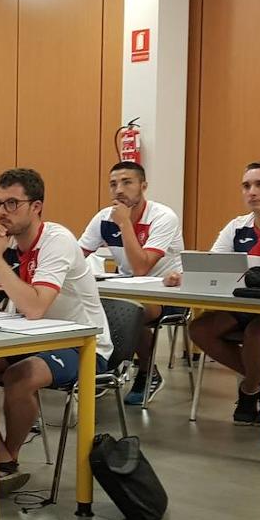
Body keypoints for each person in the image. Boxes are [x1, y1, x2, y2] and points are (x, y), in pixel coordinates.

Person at [0, 169, 112, 496]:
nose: (1, 212)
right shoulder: (4, 245)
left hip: (82, 345)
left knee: (21, 375)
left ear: (36, 207)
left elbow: (35, 308)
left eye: (12, 203)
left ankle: (5, 462)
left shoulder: (56, 240)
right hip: (31, 340)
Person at [169, 162, 260, 426]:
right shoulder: (237, 225)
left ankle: (248, 390)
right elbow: (214, 263)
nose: (252, 192)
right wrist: (183, 275)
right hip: (242, 304)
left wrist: (244, 276)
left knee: (257, 334)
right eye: (247, 186)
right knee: (199, 330)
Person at [78, 161, 184, 404]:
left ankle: (146, 372)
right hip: (127, 289)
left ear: (143, 186)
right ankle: (105, 367)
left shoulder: (163, 217)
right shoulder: (104, 218)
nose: (119, 190)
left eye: (127, 183)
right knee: (93, 305)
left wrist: (125, 223)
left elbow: (141, 267)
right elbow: (75, 256)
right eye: (113, 184)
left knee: (131, 310)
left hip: (169, 294)